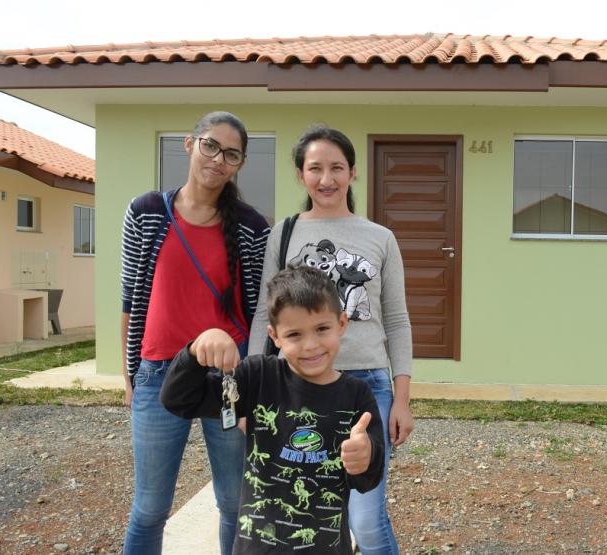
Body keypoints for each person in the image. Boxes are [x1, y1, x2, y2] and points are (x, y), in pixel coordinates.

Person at [248, 125, 413, 554]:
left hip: (368, 386)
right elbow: (265, 314)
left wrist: (401, 398)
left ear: (353, 173)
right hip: (297, 388)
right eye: (315, 168)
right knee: (307, 513)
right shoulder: (282, 233)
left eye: (337, 167)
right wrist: (249, 390)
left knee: (367, 521)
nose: (327, 179)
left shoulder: (381, 238)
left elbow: (396, 321)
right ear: (301, 175)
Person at [120, 111, 271, 555]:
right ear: (190, 144)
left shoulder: (251, 225)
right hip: (158, 372)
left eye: (231, 154)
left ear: (239, 164)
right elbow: (130, 298)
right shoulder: (146, 211)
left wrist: (257, 379)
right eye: (210, 145)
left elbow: (260, 310)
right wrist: (129, 373)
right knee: (149, 509)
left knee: (235, 502)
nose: (218, 159)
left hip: (229, 378)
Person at [160, 265, 385, 554]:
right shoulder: (257, 376)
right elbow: (179, 400)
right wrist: (195, 353)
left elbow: (368, 479)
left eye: (322, 329)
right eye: (294, 335)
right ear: (275, 336)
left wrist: (365, 457)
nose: (311, 345)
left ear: (342, 323)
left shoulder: (357, 394)